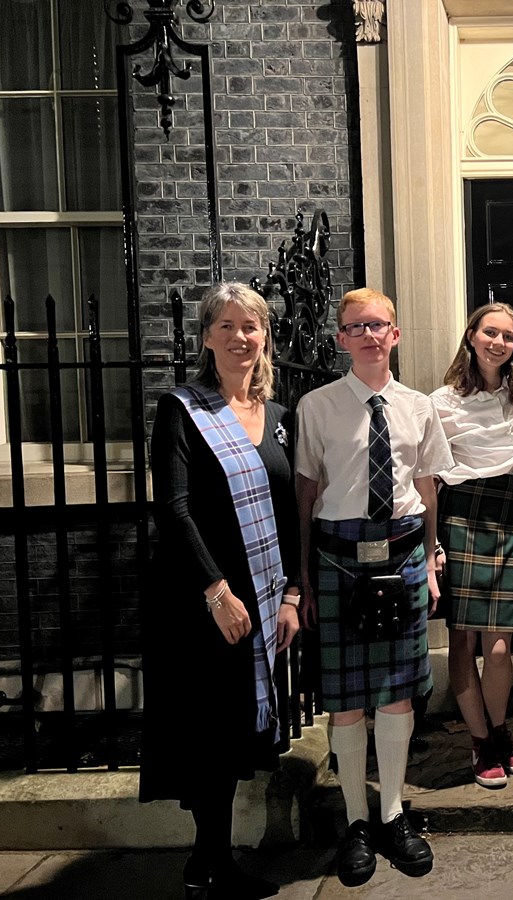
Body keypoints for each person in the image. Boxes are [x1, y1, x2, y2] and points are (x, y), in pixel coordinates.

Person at [142, 282, 301, 900]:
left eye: (252, 326)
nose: (241, 337)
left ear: (265, 337)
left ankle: (215, 861)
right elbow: (174, 509)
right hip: (203, 601)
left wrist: (288, 596)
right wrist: (216, 590)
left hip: (262, 598)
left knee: (235, 732)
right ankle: (206, 865)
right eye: (227, 326)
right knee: (205, 734)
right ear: (207, 336)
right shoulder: (182, 410)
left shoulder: (279, 418)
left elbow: (290, 513)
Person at [296, 287, 452, 886]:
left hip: (405, 552)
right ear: (340, 338)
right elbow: (306, 496)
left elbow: (430, 487)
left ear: (395, 334)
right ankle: (356, 821)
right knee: (346, 700)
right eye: (355, 327)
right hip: (338, 560)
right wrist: (303, 578)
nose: (367, 335)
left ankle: (392, 814)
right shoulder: (317, 406)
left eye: (377, 325)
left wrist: (434, 561)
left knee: (396, 693)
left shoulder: (419, 406)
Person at [430, 302, 513, 788]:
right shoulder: (442, 402)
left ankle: (499, 729)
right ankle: (480, 741)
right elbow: (428, 474)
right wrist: (433, 542)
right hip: (463, 514)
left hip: (510, 514)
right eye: (490, 332)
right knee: (464, 640)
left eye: (508, 336)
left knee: (498, 649)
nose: (499, 342)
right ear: (471, 336)